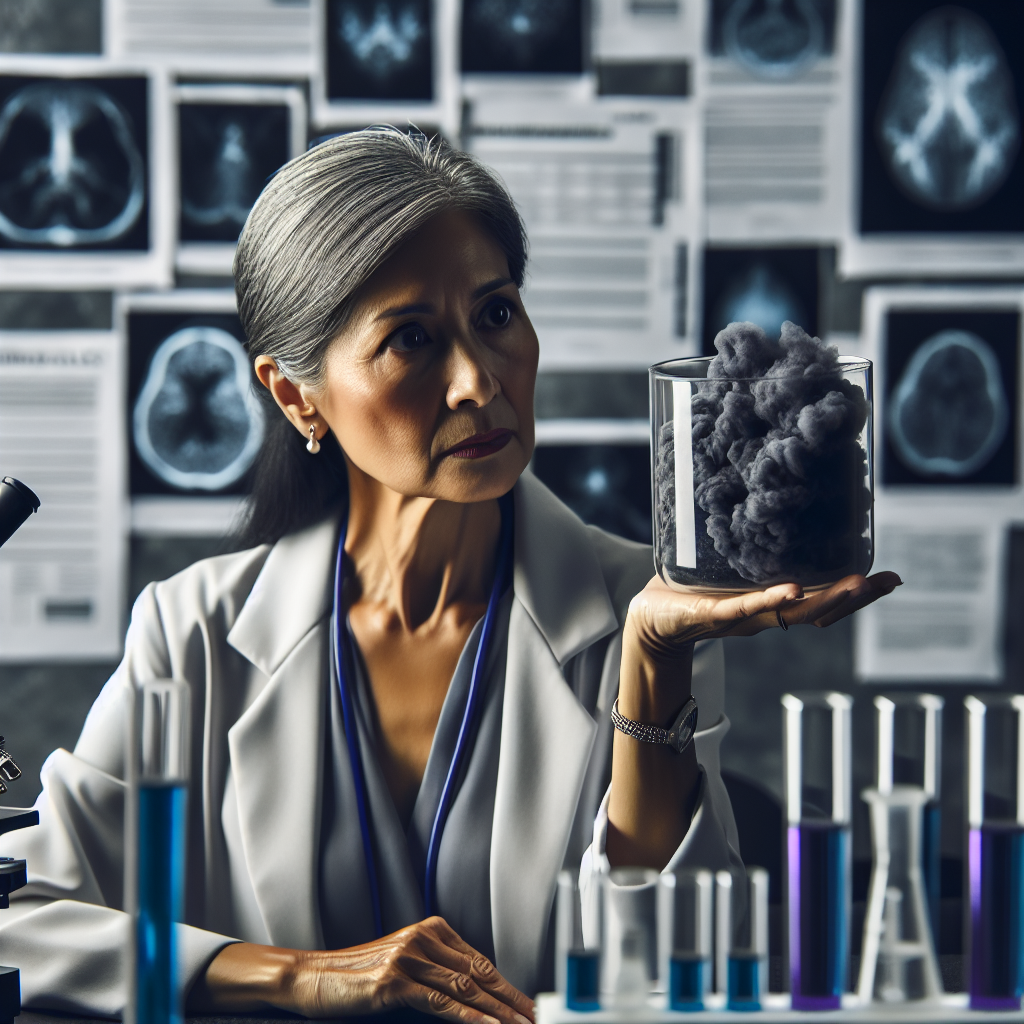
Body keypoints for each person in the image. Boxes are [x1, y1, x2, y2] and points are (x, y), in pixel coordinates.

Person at [0, 129, 899, 1024]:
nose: (478, 379)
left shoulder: (644, 608)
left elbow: (677, 972)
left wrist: (655, 666)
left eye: (497, 315)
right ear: (293, 395)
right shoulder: (190, 632)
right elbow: (19, 922)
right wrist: (291, 974)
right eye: (413, 339)